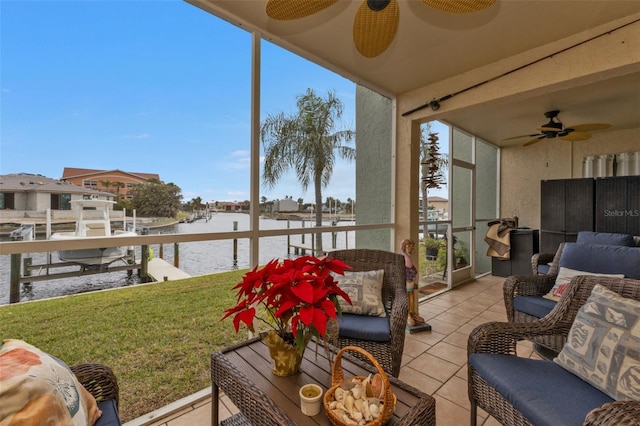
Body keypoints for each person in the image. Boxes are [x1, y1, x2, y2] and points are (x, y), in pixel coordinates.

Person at [400, 238, 426, 327]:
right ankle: (408, 314)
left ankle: (413, 312)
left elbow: (412, 269)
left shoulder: (408, 259)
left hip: (410, 281)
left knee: (412, 295)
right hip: (405, 282)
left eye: (411, 246)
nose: (410, 248)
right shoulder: (402, 258)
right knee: (407, 295)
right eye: (408, 246)